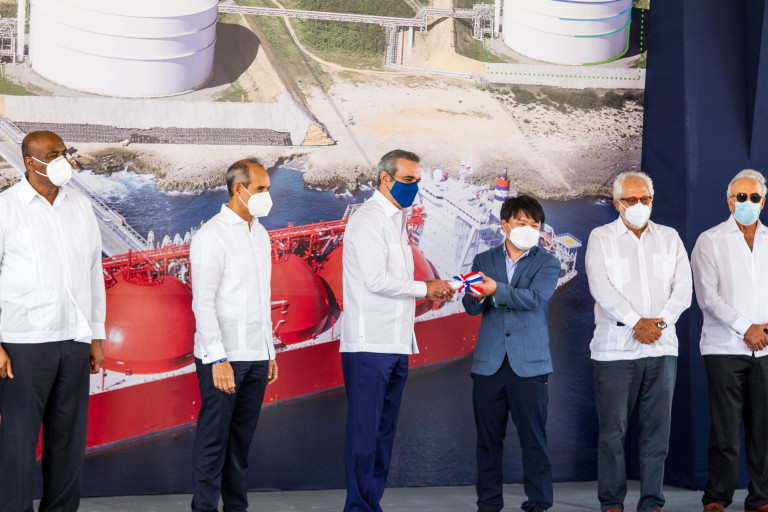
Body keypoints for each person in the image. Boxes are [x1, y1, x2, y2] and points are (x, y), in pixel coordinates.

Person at [340, 149, 455, 512]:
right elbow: (376, 280)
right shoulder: (368, 220)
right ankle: (358, 508)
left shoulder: (397, 220)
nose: (414, 187)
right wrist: (427, 288)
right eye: (407, 180)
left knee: (383, 434)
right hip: (369, 345)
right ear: (385, 178)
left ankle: (370, 504)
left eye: (417, 180)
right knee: (364, 434)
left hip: (397, 342)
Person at [0, 130, 106, 512]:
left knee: (68, 446)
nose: (64, 160)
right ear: (30, 162)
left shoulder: (80, 206)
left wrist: (96, 335)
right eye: (53, 154)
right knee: (17, 446)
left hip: (74, 340)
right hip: (23, 345)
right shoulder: (6, 208)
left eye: (64, 152)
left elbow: (94, 272)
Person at [585, 171, 692, 512]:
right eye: (631, 199)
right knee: (612, 434)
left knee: (657, 433)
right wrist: (636, 322)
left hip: (662, 347)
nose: (639, 205)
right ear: (617, 203)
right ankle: (612, 502)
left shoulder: (670, 238)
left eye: (645, 199)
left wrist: (658, 324)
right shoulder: (601, 238)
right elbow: (600, 287)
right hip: (614, 351)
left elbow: (684, 289)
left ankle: (652, 502)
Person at [190, 159, 278, 512]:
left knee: (241, 444)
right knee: (214, 443)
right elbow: (203, 302)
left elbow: (262, 298)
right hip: (223, 359)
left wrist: (269, 351)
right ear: (238, 189)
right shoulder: (211, 236)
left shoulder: (261, 234)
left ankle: (236, 508)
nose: (267, 195)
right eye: (260, 189)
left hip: (255, 355)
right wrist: (218, 358)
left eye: (268, 188)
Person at [463, 195, 560, 512]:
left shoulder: (548, 262)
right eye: (522, 222)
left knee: (534, 439)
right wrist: (477, 295)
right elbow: (470, 307)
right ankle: (488, 503)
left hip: (530, 365)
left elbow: (535, 299)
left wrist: (495, 291)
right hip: (489, 364)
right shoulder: (483, 260)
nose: (530, 228)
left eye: (535, 224)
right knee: (487, 441)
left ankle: (539, 502)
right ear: (505, 225)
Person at [691, 169, 768, 512]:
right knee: (725, 429)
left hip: (766, 347)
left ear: (763, 203)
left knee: (763, 428)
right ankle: (717, 496)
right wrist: (746, 328)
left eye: (754, 197)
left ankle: (761, 497)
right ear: (729, 201)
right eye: (741, 197)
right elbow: (707, 297)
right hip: (723, 347)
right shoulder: (710, 240)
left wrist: (763, 331)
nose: (747, 202)